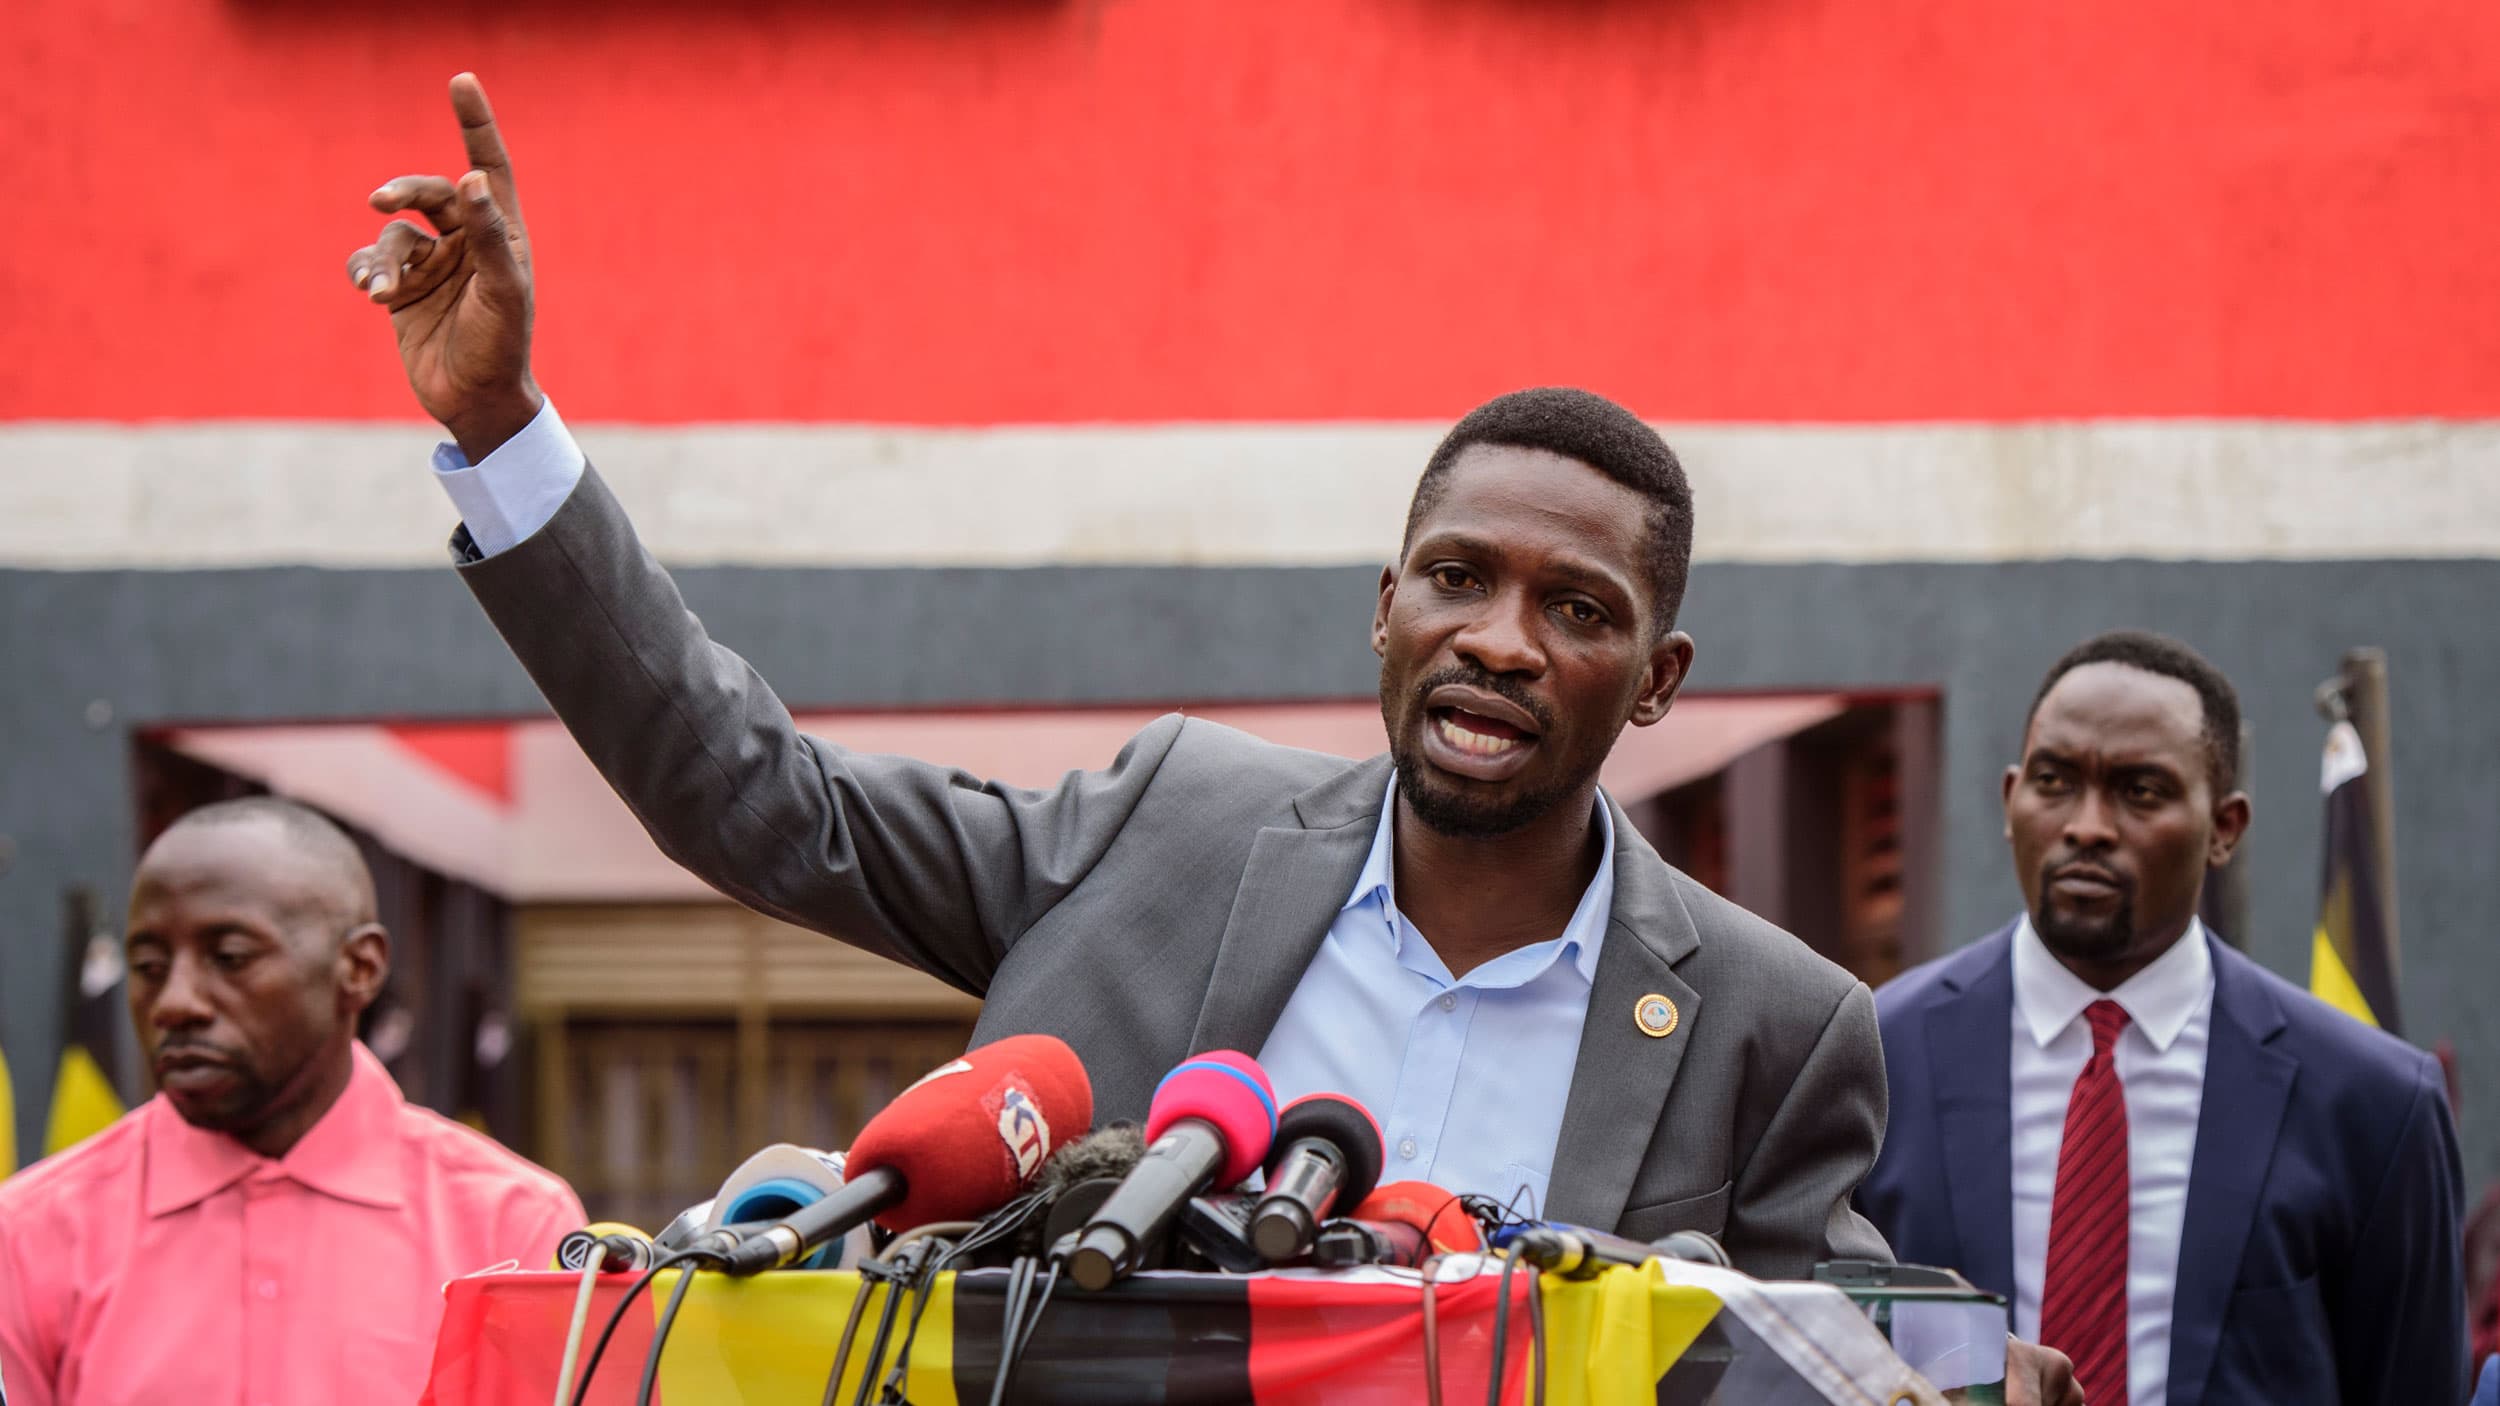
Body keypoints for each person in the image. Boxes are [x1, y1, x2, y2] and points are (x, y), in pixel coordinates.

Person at [345, 75, 2086, 1400]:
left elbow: (1822, 1348)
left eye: (1576, 609)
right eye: (1460, 580)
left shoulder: (1775, 1025)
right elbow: (753, 796)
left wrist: (1937, 1374)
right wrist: (501, 430)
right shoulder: (1166, 828)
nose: (1499, 638)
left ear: (1659, 678)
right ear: (1384, 609)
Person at [1858, 631, 2469, 1406]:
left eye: (2139, 791)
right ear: (2011, 799)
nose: (2087, 826)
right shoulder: (1872, 1055)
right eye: (2054, 781)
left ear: (2225, 828)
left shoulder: (2375, 1101)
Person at [0, 799, 584, 1406]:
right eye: (148, 965)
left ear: (359, 967)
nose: (174, 1001)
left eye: (230, 958)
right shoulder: (28, 1233)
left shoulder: (515, 1231)